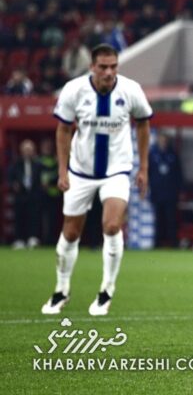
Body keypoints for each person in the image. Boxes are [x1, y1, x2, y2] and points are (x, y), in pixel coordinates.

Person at [41, 43, 152, 316]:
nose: (109, 72)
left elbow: (143, 124)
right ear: (92, 67)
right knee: (71, 232)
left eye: (113, 67)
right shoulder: (74, 90)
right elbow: (63, 130)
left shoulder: (131, 90)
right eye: (103, 67)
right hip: (80, 172)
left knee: (112, 225)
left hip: (117, 170)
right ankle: (61, 290)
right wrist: (63, 170)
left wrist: (143, 168)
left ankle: (106, 291)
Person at [148, 132, 183, 248]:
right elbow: (148, 172)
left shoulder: (173, 154)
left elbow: (179, 173)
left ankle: (173, 243)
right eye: (161, 140)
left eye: (165, 140)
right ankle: (157, 243)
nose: (163, 142)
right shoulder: (152, 154)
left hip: (171, 193)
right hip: (157, 192)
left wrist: (180, 190)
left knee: (171, 219)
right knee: (158, 219)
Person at [8, 140, 43, 249]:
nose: (28, 152)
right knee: (19, 217)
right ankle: (19, 239)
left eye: (30, 150)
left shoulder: (38, 164)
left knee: (34, 217)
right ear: (21, 151)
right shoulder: (15, 164)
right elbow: (9, 178)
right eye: (26, 150)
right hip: (20, 196)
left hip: (33, 195)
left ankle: (32, 238)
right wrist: (13, 185)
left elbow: (42, 178)